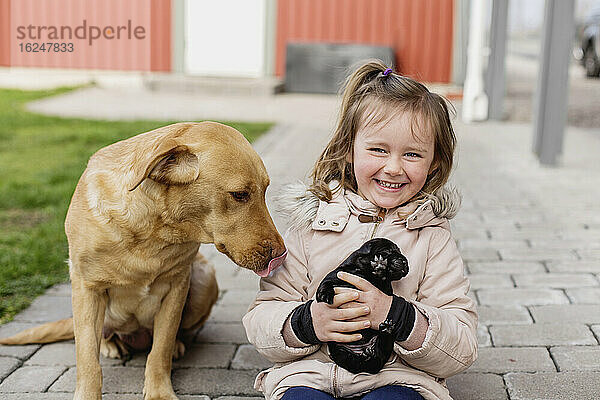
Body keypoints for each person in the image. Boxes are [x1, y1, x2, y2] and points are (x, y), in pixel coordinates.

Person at [242, 59, 477, 400]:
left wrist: (396, 315)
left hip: (397, 378)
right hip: (310, 374)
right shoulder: (313, 223)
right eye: (378, 150)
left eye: (412, 154)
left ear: (434, 162)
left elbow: (462, 345)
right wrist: (309, 323)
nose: (393, 168)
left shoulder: (432, 237)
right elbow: (262, 316)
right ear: (349, 149)